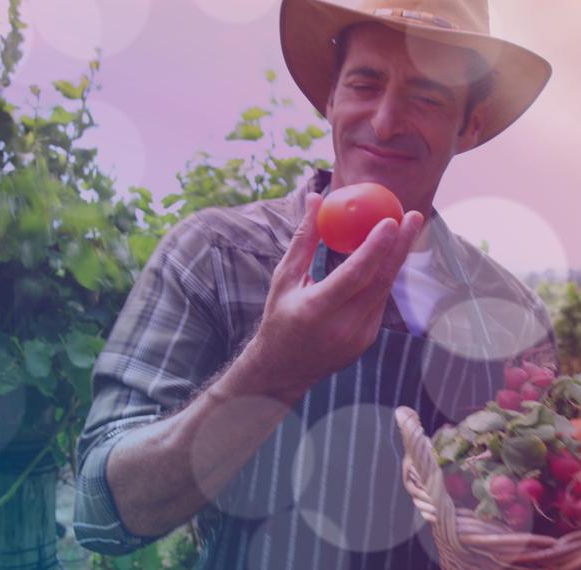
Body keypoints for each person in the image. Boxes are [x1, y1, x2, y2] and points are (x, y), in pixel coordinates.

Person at [74, 0, 556, 567]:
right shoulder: (217, 256)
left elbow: (540, 511)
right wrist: (273, 371)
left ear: (469, 124)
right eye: (364, 83)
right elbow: (100, 515)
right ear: (330, 98)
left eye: (427, 96)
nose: (384, 121)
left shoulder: (508, 315)